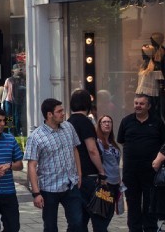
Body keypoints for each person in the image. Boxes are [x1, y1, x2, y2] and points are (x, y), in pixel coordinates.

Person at [25, 98, 83, 232]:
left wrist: (79, 173)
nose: (63, 113)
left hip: (70, 184)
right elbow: (32, 165)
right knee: (50, 226)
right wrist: (36, 193)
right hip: (49, 187)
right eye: (59, 111)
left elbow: (75, 149)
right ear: (49, 114)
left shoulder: (68, 127)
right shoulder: (36, 137)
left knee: (77, 222)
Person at [118, 93, 165, 232]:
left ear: (149, 106)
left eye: (141, 104)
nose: (138, 106)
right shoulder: (126, 121)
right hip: (131, 172)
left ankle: (150, 229)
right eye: (136, 103)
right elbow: (121, 140)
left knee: (150, 203)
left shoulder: (157, 122)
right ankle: (134, 229)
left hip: (151, 172)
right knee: (132, 203)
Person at [67, 89, 109, 231]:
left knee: (78, 219)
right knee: (98, 218)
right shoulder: (85, 122)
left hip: (73, 176)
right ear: (87, 104)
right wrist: (102, 171)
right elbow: (92, 149)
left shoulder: (67, 123)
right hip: (89, 175)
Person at [95, 115, 121, 230]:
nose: (107, 124)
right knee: (103, 215)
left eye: (109, 122)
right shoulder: (98, 142)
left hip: (116, 183)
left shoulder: (113, 144)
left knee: (110, 213)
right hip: (106, 183)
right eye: (104, 122)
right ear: (99, 125)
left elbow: (116, 164)